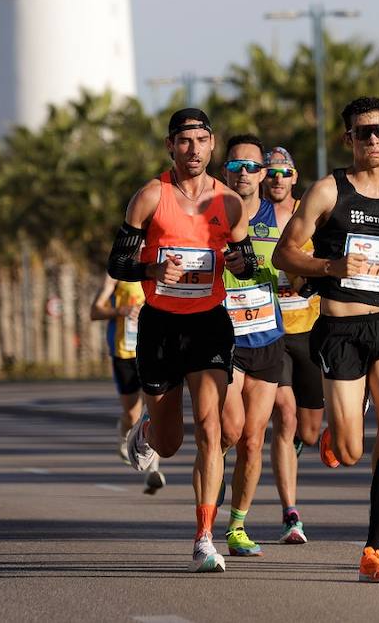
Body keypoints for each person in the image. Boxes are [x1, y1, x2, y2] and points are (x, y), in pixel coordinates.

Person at [272, 96, 379, 584]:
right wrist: (330, 267)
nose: (373, 140)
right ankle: (332, 435)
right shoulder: (328, 191)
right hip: (339, 329)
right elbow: (284, 255)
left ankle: (373, 549)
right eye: (363, 132)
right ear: (348, 138)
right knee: (348, 451)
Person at [107, 107, 254, 573]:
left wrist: (238, 265)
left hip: (208, 323)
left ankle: (204, 536)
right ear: (171, 146)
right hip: (160, 326)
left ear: (213, 145)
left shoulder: (230, 203)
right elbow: (118, 264)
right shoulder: (151, 197)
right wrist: (152, 269)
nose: (193, 149)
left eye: (202, 140)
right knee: (170, 442)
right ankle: (147, 432)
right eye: (184, 141)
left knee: (211, 428)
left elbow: (246, 260)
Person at [218, 134, 287, 558]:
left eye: (252, 166)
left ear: (263, 173)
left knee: (253, 439)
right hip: (222, 337)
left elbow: (299, 262)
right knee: (227, 430)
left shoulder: (280, 217)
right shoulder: (211, 212)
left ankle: (237, 526)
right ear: (225, 170)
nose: (244, 173)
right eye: (236, 165)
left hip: (267, 335)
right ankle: (211, 473)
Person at [264, 146, 320, 545]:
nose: (277, 178)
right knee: (284, 415)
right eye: (271, 172)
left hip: (311, 329)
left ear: (295, 177)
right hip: (271, 330)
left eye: (284, 172)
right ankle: (291, 513)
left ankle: (292, 451)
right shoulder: (255, 218)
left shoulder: (311, 216)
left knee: (309, 430)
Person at [90, 275, 166, 494]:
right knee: (132, 415)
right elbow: (95, 311)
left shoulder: (161, 266)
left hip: (153, 351)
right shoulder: (116, 276)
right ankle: (124, 432)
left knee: (155, 411)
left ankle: (153, 469)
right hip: (124, 352)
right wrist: (120, 311)